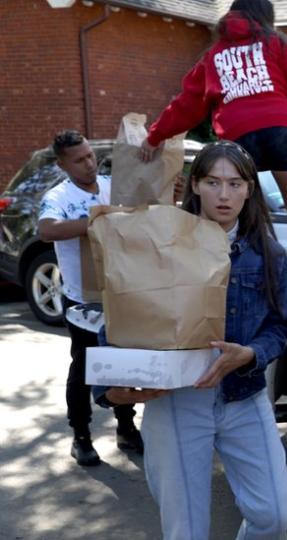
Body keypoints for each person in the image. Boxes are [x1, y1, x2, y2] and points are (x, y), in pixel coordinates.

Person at [94, 141, 287, 539]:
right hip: (176, 400)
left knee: (275, 514)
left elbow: (279, 327)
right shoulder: (159, 242)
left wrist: (251, 354)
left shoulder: (269, 254)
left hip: (243, 396)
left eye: (235, 183)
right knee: (185, 530)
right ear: (195, 185)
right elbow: (123, 312)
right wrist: (110, 387)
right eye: (213, 182)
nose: (224, 195)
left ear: (250, 189)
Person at [139, 0, 287, 217]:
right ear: (266, 17)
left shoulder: (213, 56)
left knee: (240, 216)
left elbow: (187, 105)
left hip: (238, 138)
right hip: (282, 131)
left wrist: (154, 137)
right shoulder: (274, 43)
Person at [37, 130, 142, 467]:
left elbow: (143, 208)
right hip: (81, 299)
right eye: (79, 160)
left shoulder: (111, 185)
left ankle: (126, 428)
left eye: (90, 156)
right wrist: (93, 222)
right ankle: (80, 436)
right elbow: (47, 230)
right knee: (84, 366)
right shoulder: (59, 196)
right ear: (62, 164)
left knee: (124, 362)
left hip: (120, 291)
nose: (89, 164)